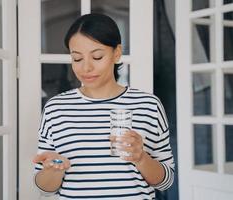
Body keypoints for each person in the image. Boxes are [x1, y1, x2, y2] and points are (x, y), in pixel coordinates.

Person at [33, 13, 175, 199]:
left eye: (97, 57)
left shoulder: (148, 105)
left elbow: (166, 181)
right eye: (77, 59)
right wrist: (54, 170)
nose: (86, 68)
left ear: (116, 53)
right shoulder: (56, 109)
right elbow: (44, 188)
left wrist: (141, 158)